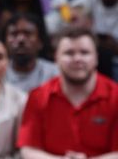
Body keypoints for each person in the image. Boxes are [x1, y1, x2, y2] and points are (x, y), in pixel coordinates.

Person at [18, 28, 118, 157]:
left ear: (96, 58)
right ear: (56, 58)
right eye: (69, 53)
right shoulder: (37, 96)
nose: (77, 59)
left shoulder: (115, 97)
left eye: (84, 52)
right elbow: (28, 149)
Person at [3, 13, 58, 93]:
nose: (20, 39)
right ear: (5, 42)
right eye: (14, 34)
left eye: (28, 34)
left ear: (40, 42)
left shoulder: (55, 74)